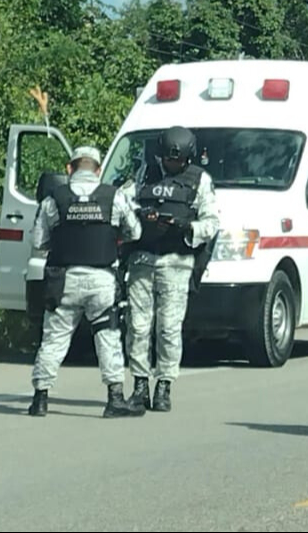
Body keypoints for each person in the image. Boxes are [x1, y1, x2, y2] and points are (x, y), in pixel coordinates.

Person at [27, 146, 144, 419]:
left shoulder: (53, 199)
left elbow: (39, 241)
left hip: (63, 280)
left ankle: (40, 399)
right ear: (99, 170)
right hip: (102, 280)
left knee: (53, 339)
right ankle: (115, 398)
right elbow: (135, 232)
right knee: (108, 337)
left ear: (70, 168)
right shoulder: (114, 197)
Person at [122, 126, 220, 413]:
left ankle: (164, 385)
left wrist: (186, 227)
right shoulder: (143, 174)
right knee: (138, 326)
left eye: (176, 160)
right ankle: (140, 385)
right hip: (143, 259)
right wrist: (141, 216)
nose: (170, 164)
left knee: (168, 328)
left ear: (188, 158)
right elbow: (123, 203)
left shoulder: (200, 180)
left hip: (176, 261)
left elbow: (212, 222)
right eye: (167, 159)